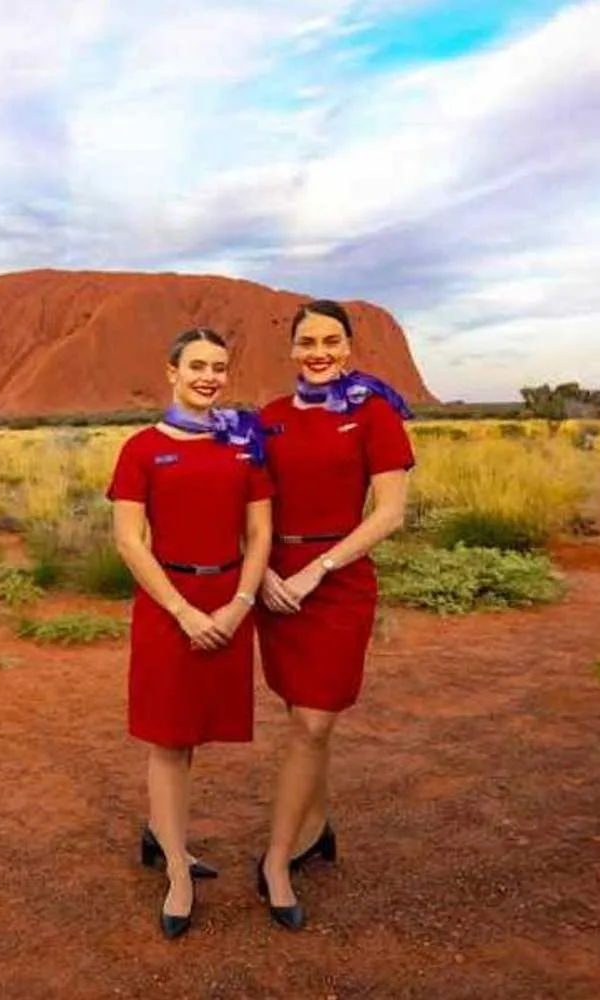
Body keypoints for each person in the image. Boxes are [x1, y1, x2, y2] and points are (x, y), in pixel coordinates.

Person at [254, 299, 415, 930]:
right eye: (306, 343)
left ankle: (275, 859)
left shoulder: (375, 413)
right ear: (291, 350)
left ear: (349, 347)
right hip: (277, 589)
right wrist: (262, 571)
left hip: (337, 584)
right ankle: (316, 829)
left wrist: (317, 569)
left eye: (331, 341)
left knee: (314, 722)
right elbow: (252, 508)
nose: (319, 353)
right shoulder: (268, 420)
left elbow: (389, 513)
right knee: (302, 718)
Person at [107, 328, 273, 939]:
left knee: (194, 731)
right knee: (168, 739)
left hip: (228, 599)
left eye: (220, 367)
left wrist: (239, 605)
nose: (209, 376)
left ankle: (163, 835)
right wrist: (182, 612)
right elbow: (129, 540)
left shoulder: (244, 443)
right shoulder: (142, 448)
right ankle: (176, 866)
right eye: (197, 365)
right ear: (171, 371)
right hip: (167, 604)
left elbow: (259, 535)